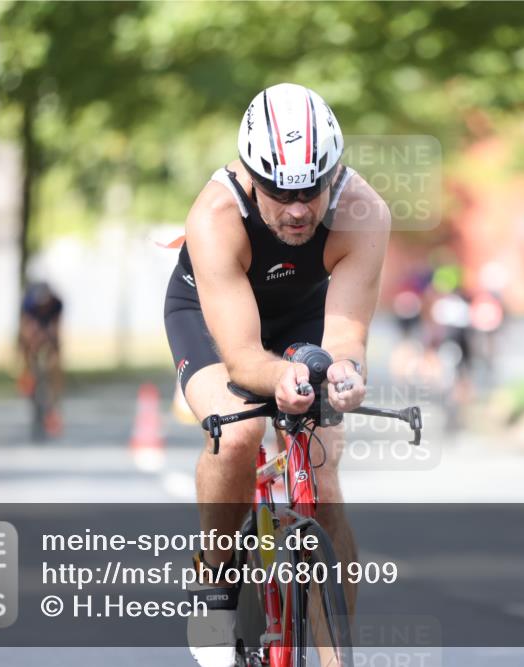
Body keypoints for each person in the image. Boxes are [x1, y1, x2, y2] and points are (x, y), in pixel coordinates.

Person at [163, 83, 390, 666]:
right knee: (236, 433)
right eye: (279, 191)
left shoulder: (363, 213)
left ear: (333, 174)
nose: (297, 209)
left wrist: (345, 374)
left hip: (306, 318)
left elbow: (344, 339)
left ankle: (337, 657)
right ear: (249, 174)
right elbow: (241, 360)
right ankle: (215, 582)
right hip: (217, 321)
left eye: (311, 190)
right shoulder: (216, 214)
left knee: (323, 462)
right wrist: (280, 379)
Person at [18, 281, 64, 436]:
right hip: (33, 324)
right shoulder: (29, 304)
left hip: (48, 326)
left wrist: (53, 345)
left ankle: (54, 402)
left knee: (55, 360)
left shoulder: (57, 303)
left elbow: (56, 328)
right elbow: (26, 326)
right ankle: (28, 378)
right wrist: (32, 341)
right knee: (28, 344)